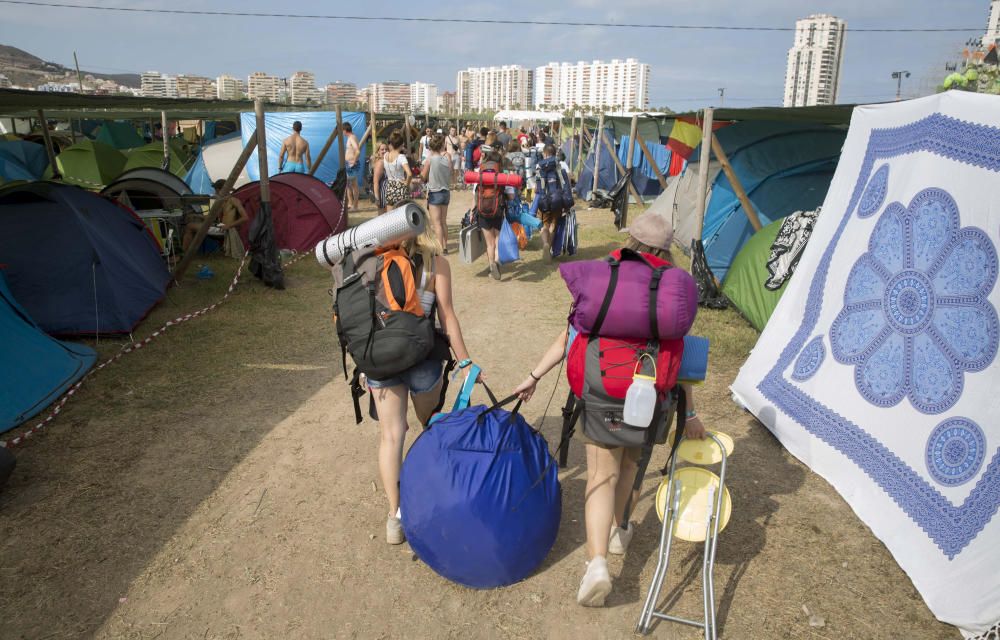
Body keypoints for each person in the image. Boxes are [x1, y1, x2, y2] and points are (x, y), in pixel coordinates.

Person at [512, 213, 705, 606]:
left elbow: (568, 336)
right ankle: (620, 531)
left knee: (601, 474)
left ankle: (597, 564)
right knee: (631, 466)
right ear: (665, 251)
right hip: (651, 394)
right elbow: (680, 358)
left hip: (602, 388)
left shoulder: (604, 281)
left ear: (631, 242)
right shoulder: (673, 293)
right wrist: (691, 413)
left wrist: (534, 376)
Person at [367, 228, 479, 544]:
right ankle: (441, 498)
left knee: (390, 437)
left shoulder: (372, 259)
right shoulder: (435, 263)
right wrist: (466, 361)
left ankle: (395, 517)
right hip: (422, 360)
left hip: (379, 359)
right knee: (431, 427)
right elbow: (447, 316)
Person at [182, 179, 249, 257]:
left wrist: (229, 226)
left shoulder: (234, 200)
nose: (215, 192)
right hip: (220, 227)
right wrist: (195, 215)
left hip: (227, 229)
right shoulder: (221, 201)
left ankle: (185, 254)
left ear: (223, 190)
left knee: (190, 226)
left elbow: (245, 217)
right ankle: (187, 253)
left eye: (216, 190)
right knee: (191, 225)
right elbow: (211, 218)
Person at [421, 134, 452, 254]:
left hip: (435, 192)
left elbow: (423, 176)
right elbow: (450, 172)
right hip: (446, 192)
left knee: (436, 224)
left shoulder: (430, 159)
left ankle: (439, 249)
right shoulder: (446, 158)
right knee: (444, 222)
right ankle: (445, 246)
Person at [382, 132, 412, 208]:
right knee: (401, 215)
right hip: (400, 186)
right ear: (401, 144)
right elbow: (409, 174)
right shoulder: (401, 157)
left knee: (389, 214)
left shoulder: (385, 155)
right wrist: (406, 184)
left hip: (389, 186)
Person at [343, 121, 361, 211]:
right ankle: (351, 203)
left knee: (353, 185)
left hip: (351, 165)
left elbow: (357, 150)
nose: (342, 132)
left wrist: (353, 161)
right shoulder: (351, 137)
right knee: (348, 185)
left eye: (343, 130)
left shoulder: (352, 138)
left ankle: (355, 205)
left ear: (345, 130)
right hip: (349, 164)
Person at [371, 142, 389, 214]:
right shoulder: (380, 163)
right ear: (378, 151)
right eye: (382, 149)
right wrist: (377, 198)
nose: (384, 151)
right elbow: (375, 182)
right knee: (383, 217)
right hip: (382, 193)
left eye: (386, 149)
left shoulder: (385, 161)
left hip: (387, 193)